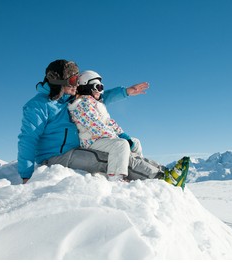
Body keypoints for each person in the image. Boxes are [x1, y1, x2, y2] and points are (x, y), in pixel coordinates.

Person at [17, 59, 147, 184]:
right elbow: (28, 139)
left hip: (76, 150)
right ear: (59, 81)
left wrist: (125, 92)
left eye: (78, 80)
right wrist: (26, 175)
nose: (77, 85)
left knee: (121, 155)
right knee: (114, 159)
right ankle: (153, 178)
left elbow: (97, 98)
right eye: (74, 80)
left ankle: (155, 171)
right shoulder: (37, 105)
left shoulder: (69, 97)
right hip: (56, 157)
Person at [68, 70, 190, 188]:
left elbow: (110, 123)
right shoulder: (81, 105)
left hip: (101, 139)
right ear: (86, 87)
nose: (101, 91)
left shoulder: (96, 104)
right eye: (98, 87)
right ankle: (116, 177)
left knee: (135, 142)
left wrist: (124, 135)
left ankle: (159, 170)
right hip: (91, 142)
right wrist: (119, 139)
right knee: (121, 145)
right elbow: (97, 128)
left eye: (102, 87)